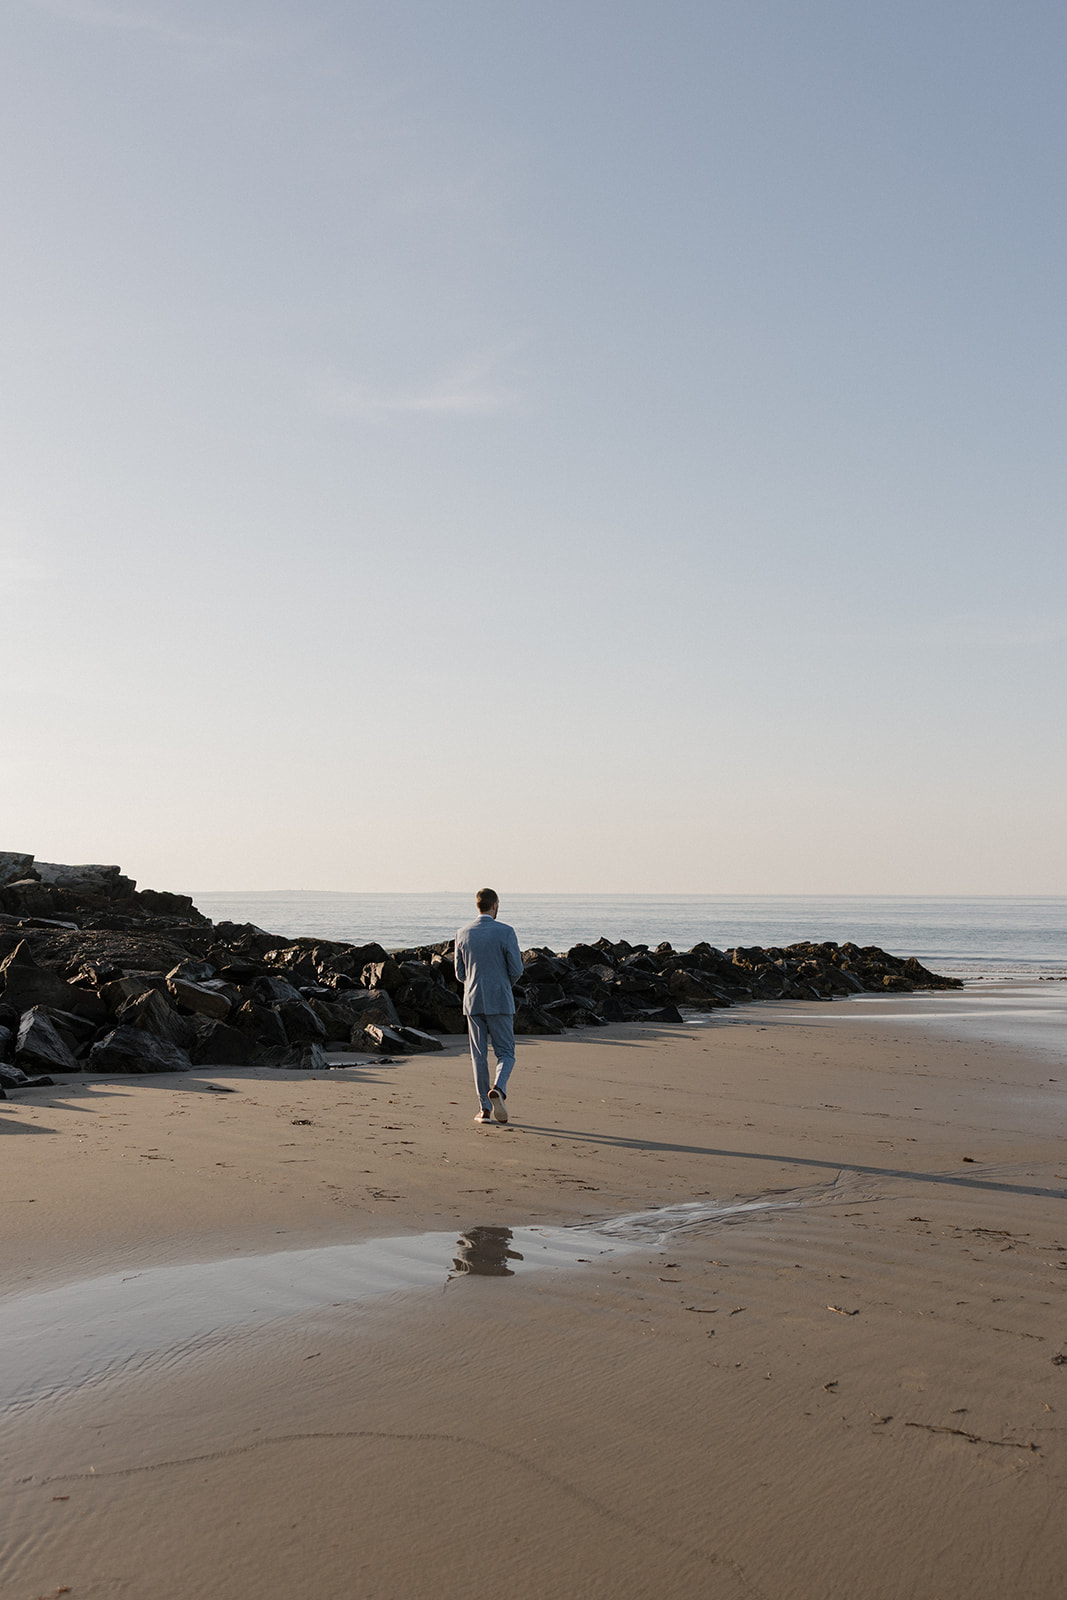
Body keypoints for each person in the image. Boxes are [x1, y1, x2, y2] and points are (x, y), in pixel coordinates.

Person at [453, 888, 523, 1124]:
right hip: (500, 998)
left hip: (473, 1001)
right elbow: (517, 969)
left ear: (478, 906)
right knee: (506, 1052)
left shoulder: (462, 933)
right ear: (494, 905)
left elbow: (459, 974)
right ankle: (499, 1089)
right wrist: (503, 984)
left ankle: (484, 1109)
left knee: (479, 1056)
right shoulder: (506, 932)